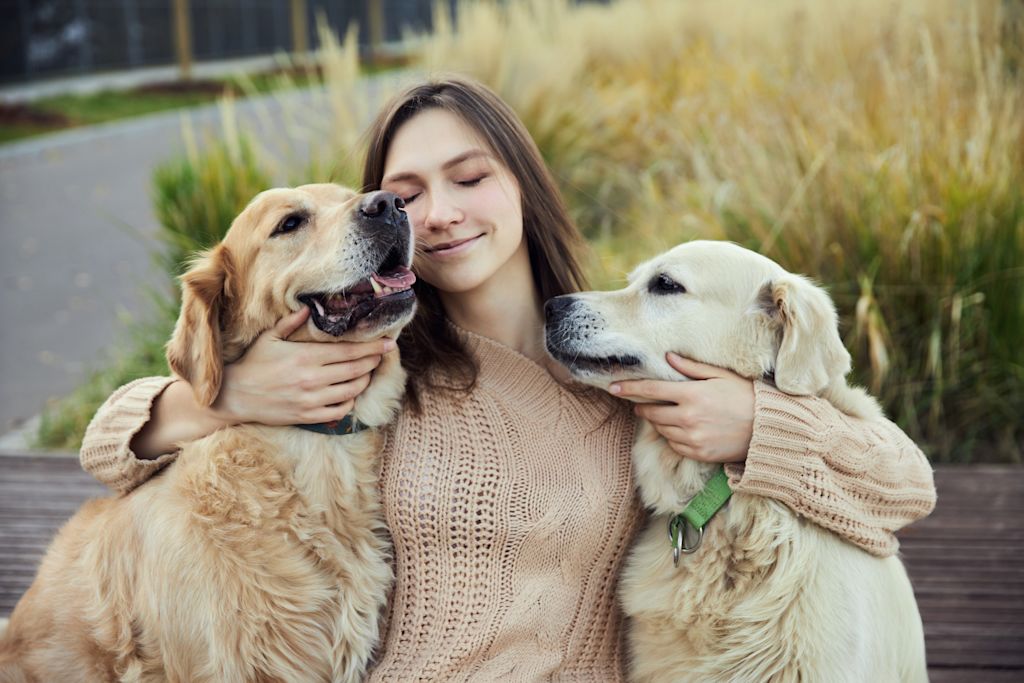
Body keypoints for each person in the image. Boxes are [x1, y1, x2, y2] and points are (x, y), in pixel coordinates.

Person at [80, 78, 936, 680]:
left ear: (521, 185)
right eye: (405, 195)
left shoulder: (624, 357)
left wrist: (754, 423)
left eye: (470, 177)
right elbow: (108, 445)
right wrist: (216, 397)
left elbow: (903, 488)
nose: (441, 213)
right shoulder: (374, 367)